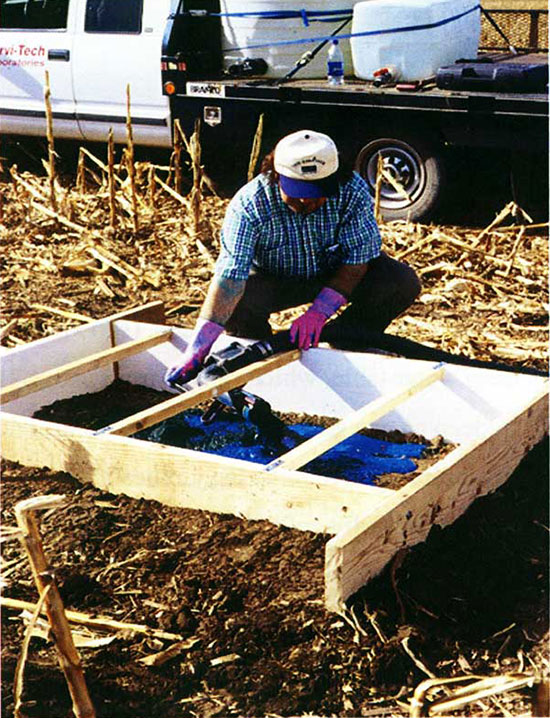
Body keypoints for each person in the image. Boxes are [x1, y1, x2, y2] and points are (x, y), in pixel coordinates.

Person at [165, 129, 420, 388]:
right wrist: (197, 348)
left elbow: (357, 261)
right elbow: (230, 279)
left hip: (332, 275)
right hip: (274, 281)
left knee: (399, 282)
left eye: (316, 192)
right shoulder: (250, 204)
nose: (305, 200)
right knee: (236, 305)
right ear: (276, 177)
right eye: (297, 191)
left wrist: (318, 313)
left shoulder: (352, 192)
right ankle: (256, 355)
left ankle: (348, 338)